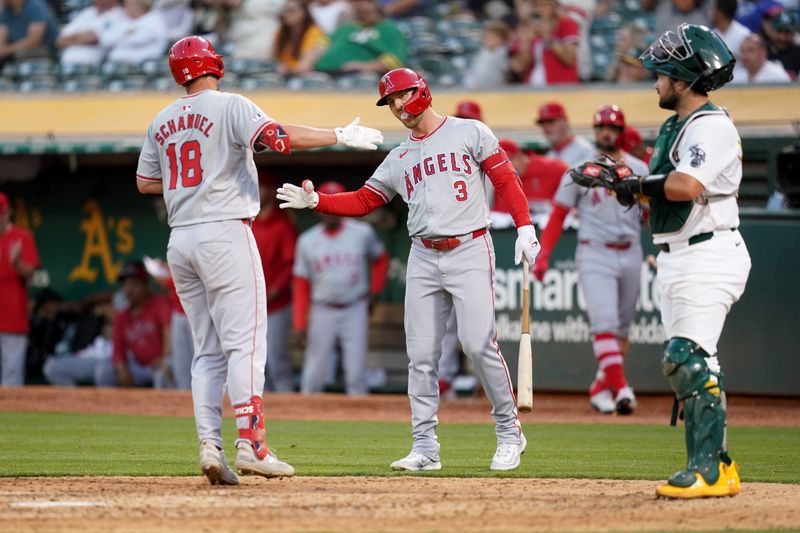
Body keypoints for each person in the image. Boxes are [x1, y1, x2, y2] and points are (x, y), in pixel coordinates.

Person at [135, 36, 382, 485]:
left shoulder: (162, 118)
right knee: (246, 341)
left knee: (207, 351)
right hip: (225, 230)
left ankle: (210, 445)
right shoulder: (230, 105)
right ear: (214, 64)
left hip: (182, 239)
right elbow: (278, 139)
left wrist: (196, 181)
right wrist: (338, 135)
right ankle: (252, 443)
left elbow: (146, 181)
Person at [277, 67, 541, 472]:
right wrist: (318, 204)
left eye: (402, 95)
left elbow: (505, 178)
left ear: (423, 90)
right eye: (391, 101)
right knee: (420, 356)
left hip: (469, 246)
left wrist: (524, 227)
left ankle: (509, 432)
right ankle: (425, 447)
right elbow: (365, 200)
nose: (398, 106)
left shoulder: (470, 131)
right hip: (423, 253)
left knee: (476, 343)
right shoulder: (399, 157)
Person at [608, 23, 750, 497]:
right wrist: (629, 186)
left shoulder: (711, 125)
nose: (655, 80)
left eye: (663, 73)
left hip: (709, 252)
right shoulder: (677, 126)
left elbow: (686, 186)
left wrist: (638, 185)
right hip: (680, 254)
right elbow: (670, 194)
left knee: (685, 357)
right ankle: (721, 465)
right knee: (692, 361)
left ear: (684, 80)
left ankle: (707, 469)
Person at [533, 105, 649, 414]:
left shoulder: (640, 169)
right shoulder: (581, 170)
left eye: (612, 127)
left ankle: (600, 386)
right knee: (604, 324)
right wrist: (543, 255)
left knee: (623, 330)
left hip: (631, 251)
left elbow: (652, 214)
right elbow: (557, 215)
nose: (606, 132)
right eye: (601, 127)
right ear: (594, 131)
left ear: (622, 133)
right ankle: (622, 388)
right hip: (595, 251)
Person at [292, 181, 388, 395]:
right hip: (323, 309)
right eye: (328, 203)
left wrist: (375, 292)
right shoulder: (307, 240)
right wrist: (299, 324)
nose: (331, 212)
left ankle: (360, 425)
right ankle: (305, 419)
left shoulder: (362, 232)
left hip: (354, 307)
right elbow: (301, 284)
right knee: (313, 375)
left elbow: (380, 259)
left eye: (335, 203)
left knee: (356, 373)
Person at [251, 172, 298, 393]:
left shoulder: (282, 225)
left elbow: (291, 265)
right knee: (256, 364)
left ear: (271, 191)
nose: (258, 192)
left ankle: (288, 410)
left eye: (262, 187)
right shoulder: (248, 222)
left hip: (276, 305)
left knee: (276, 360)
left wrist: (275, 289)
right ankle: (265, 410)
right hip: (251, 305)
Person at [110, 260, 173, 388]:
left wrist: (164, 358)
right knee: (104, 372)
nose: (129, 290)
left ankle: (165, 407)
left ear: (145, 285)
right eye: (126, 285)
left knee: (163, 372)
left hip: (160, 364)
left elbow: (169, 332)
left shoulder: (159, 303)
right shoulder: (122, 316)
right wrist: (122, 372)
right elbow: (118, 352)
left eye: (134, 284)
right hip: (138, 368)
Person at [0, 192, 41, 387]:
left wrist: (15, 262)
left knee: (11, 379)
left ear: (7, 213)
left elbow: (31, 272)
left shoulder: (21, 237)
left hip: (12, 318)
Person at [314, 0, 407, 74]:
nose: (358, 5)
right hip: (320, 75)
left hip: (354, 78)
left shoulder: (389, 29)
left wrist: (364, 66)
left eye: (362, 2)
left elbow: (395, 59)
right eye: (354, 2)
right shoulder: (346, 27)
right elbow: (321, 46)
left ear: (375, 4)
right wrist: (305, 64)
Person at [508, 0, 581, 87]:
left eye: (545, 5)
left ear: (555, 6)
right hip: (534, 87)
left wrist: (547, 37)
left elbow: (568, 59)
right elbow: (519, 67)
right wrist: (527, 42)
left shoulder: (567, 24)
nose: (541, 9)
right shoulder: (534, 27)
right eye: (537, 5)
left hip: (560, 87)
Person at [494, 138, 568, 218]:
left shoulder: (548, 167)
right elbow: (500, 214)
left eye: (509, 160)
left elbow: (570, 175)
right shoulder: (503, 180)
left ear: (520, 155)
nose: (506, 167)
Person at [42, 313, 116, 387]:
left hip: (106, 364)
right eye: (107, 325)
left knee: (103, 372)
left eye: (112, 326)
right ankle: (71, 395)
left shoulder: (119, 343)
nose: (109, 329)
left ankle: (106, 397)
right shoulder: (98, 340)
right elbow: (84, 354)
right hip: (87, 361)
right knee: (51, 366)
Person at [55, 0, 127, 67]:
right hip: (66, 64)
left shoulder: (119, 14)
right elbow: (60, 40)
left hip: (92, 67)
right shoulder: (88, 12)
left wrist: (73, 38)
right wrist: (83, 37)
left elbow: (94, 38)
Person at [273, 0, 329, 76]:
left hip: (306, 78)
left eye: (291, 10)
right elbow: (276, 59)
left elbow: (306, 65)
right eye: (284, 11)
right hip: (285, 77)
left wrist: (290, 69)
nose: (286, 14)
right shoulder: (280, 33)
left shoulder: (317, 33)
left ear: (304, 13)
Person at [106, 0, 169, 65]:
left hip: (146, 67)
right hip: (119, 65)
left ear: (139, 5)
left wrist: (124, 37)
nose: (126, 7)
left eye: (130, 4)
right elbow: (108, 40)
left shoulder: (154, 18)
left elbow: (140, 38)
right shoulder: (124, 21)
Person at [535, 102, 596, 167]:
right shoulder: (549, 157)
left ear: (565, 121)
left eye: (551, 121)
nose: (546, 128)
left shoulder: (585, 150)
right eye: (542, 123)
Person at [0, 0, 59, 65]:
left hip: (44, 56)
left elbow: (33, 41)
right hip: (17, 58)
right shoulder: (6, 11)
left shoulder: (35, 6)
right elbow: (2, 38)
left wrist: (5, 51)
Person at [463, 20, 511, 90]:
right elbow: (475, 72)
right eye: (485, 37)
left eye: (490, 37)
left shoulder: (504, 53)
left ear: (500, 39)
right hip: (476, 89)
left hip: (495, 91)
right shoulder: (483, 52)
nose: (486, 40)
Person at [765, 11, 800, 79]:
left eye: (787, 33)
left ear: (794, 33)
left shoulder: (798, 53)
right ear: (772, 31)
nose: (782, 37)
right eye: (779, 32)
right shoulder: (762, 51)